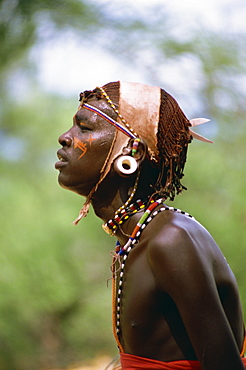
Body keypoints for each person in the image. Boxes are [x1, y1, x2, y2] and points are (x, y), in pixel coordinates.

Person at [55, 81, 246, 370]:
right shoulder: (135, 239)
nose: (64, 138)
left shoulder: (170, 241)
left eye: (84, 128)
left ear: (133, 151)